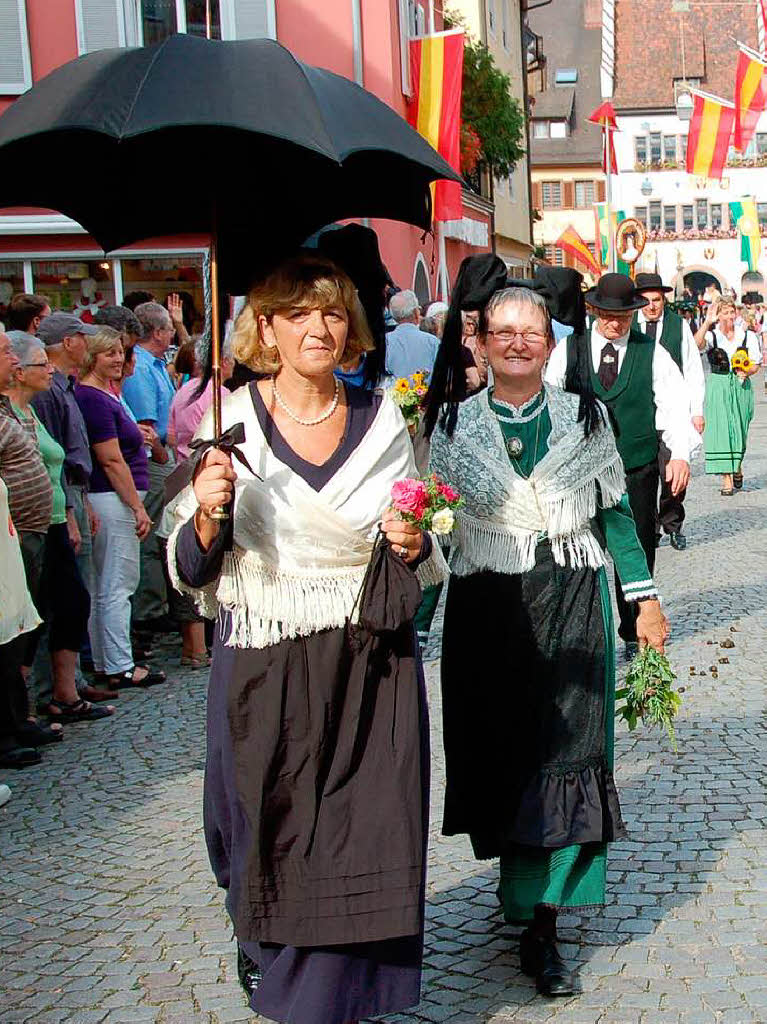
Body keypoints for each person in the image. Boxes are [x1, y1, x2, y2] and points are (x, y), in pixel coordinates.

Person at [165, 253, 446, 1024]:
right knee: (267, 818)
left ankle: (331, 1000)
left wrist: (413, 541)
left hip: (368, 662)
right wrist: (209, 509)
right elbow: (189, 570)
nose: (317, 328)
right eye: (296, 314)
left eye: (330, 313)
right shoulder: (226, 423)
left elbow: (422, 554)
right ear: (265, 328)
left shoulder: (382, 417)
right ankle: (265, 946)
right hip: (265, 659)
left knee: (366, 829)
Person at [426, 283, 668, 998]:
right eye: (503, 330)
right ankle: (518, 893)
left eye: (531, 331)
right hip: (485, 608)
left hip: (569, 597)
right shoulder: (450, 424)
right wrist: (407, 626)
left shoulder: (582, 416)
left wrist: (644, 599)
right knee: (501, 752)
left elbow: (615, 514)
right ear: (480, 342)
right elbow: (433, 523)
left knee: (569, 750)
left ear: (551, 343)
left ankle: (544, 920)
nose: (518, 342)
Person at [545, 273, 691, 658]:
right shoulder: (568, 351)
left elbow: (675, 405)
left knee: (639, 547)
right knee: (579, 550)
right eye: (608, 315)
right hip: (580, 473)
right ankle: (581, 630)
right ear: (593, 311)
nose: (615, 323)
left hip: (636, 468)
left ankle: (633, 628)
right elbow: (549, 402)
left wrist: (679, 454)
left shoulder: (651, 353)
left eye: (623, 316)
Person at [3, 333, 111, 724]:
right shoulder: (12, 413)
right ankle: (24, 709)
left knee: (69, 603)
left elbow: (52, 466)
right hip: (23, 529)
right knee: (27, 619)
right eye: (41, 364)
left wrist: (69, 509)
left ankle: (64, 693)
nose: (50, 370)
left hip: (52, 522)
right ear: (18, 371)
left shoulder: (31, 412)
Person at [75, 327, 165, 691]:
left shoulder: (100, 396)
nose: (117, 359)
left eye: (119, 352)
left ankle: (107, 659)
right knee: (117, 584)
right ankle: (119, 664)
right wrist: (137, 508)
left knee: (105, 585)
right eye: (109, 353)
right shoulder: (94, 398)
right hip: (113, 500)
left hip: (110, 499)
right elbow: (111, 460)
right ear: (92, 356)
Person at [29, 312, 111, 705]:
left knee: (78, 596)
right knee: (64, 598)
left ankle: (72, 680)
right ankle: (53, 690)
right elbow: (49, 458)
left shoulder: (63, 387)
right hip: (61, 502)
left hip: (76, 494)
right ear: (66, 342)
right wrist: (73, 513)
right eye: (82, 337)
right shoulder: (46, 392)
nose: (87, 343)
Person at [0, 332, 49, 769]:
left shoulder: (6, 408)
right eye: (4, 352)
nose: (12, 359)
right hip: (10, 535)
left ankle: (16, 720)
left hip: (22, 533)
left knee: (17, 634)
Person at [634, 272, 705, 551]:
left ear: (664, 301)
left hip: (671, 415)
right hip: (640, 414)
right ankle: (649, 528)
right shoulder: (631, 325)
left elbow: (693, 370)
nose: (652, 306)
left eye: (657, 300)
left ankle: (672, 523)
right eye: (646, 300)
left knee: (672, 474)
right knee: (642, 475)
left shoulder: (678, 326)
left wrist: (696, 411)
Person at [121, 301, 177, 630]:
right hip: (154, 456)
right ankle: (150, 609)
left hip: (161, 452)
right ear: (157, 332)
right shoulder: (141, 368)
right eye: (169, 327)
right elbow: (145, 423)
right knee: (155, 532)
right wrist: (159, 454)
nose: (172, 333)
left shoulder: (153, 364)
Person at [694, 298, 761, 494]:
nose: (729, 317)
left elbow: (756, 364)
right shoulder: (713, 336)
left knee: (740, 430)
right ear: (719, 315)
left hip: (741, 386)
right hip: (718, 384)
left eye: (731, 312)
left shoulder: (747, 336)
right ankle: (726, 479)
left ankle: (737, 466)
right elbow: (696, 344)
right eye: (724, 313)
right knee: (721, 430)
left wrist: (747, 372)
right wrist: (707, 322)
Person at [385, 289, 440, 379]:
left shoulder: (384, 342)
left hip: (394, 391)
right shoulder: (432, 342)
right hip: (426, 391)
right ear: (415, 313)